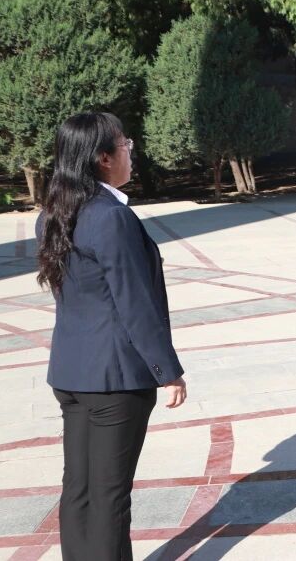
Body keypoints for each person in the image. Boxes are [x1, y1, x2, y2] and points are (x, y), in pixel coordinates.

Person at [37, 112, 187, 559]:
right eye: (125, 145)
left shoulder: (54, 213)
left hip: (72, 372)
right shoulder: (110, 217)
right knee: (109, 497)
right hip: (115, 379)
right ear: (103, 158)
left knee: (79, 491)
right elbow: (134, 302)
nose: (130, 153)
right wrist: (167, 370)